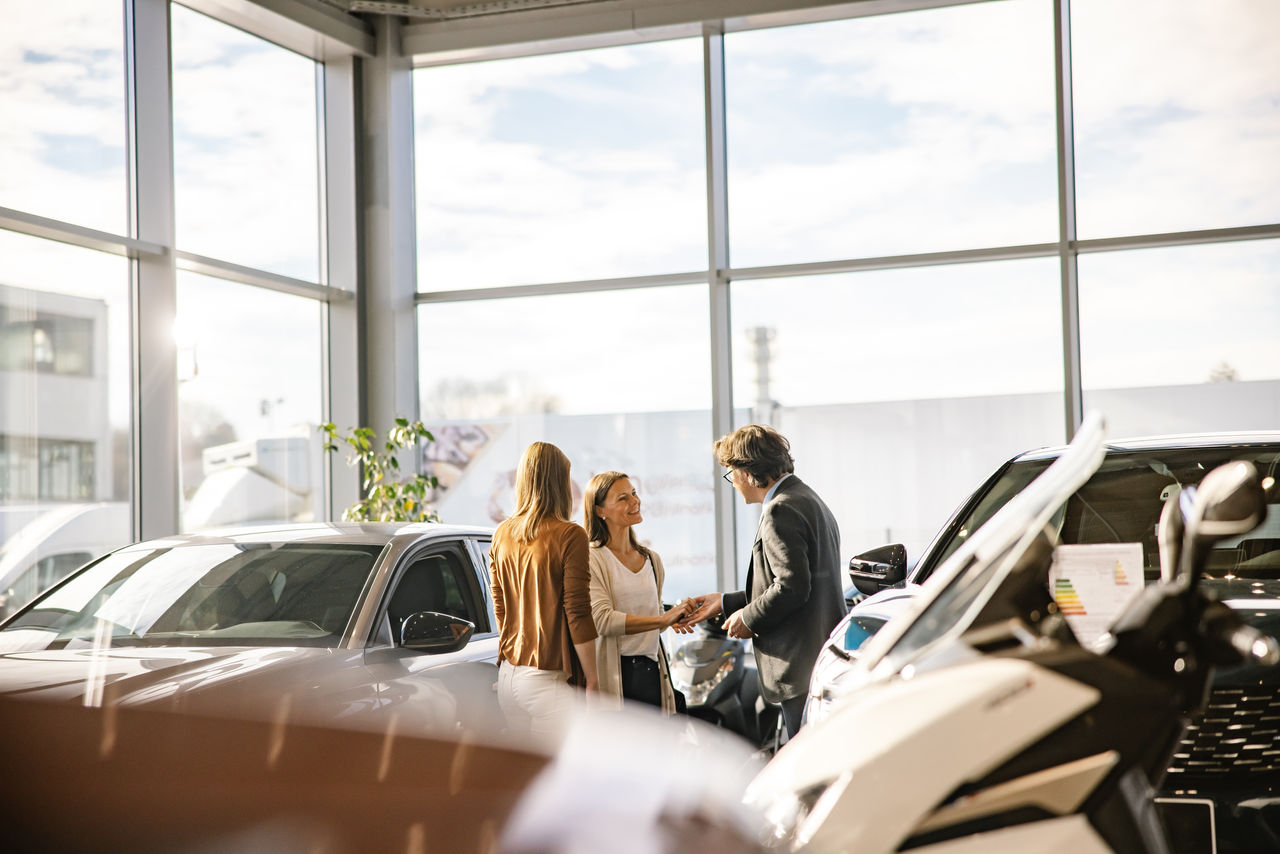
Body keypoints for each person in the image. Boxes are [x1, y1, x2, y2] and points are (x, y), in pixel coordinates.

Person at [681, 425, 846, 739]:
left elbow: (792, 587)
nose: (733, 484)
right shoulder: (807, 498)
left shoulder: (780, 509)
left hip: (798, 665)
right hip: (816, 658)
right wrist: (727, 602)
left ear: (746, 472)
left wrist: (748, 618)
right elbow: (790, 582)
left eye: (730, 474)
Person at [490, 441, 599, 739]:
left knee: (524, 776)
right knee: (560, 777)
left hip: (509, 676)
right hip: (547, 680)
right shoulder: (570, 534)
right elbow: (577, 611)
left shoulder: (502, 533)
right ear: (559, 483)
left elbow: (499, 607)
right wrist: (592, 678)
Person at [583, 471, 692, 714]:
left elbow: (653, 621)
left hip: (652, 672)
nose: (635, 502)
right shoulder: (592, 558)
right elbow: (602, 620)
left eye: (634, 493)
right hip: (619, 675)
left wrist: (673, 616)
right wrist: (662, 619)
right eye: (623, 498)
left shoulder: (652, 559)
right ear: (600, 510)